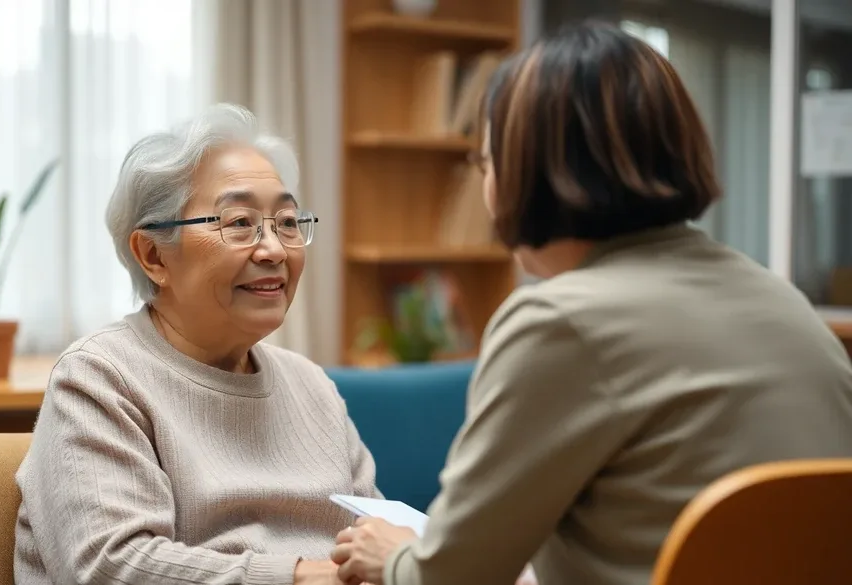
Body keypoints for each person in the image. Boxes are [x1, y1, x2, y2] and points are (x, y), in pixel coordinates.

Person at [330, 20, 852, 585]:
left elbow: (454, 577)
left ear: (525, 171)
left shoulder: (559, 323)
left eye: (485, 163)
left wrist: (397, 558)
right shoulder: (786, 302)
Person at [14, 103, 381, 585]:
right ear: (153, 255)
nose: (273, 249)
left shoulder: (312, 386)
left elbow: (375, 537)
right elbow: (111, 567)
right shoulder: (100, 378)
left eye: (287, 222)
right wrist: (302, 577)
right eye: (239, 223)